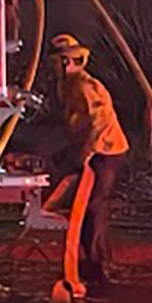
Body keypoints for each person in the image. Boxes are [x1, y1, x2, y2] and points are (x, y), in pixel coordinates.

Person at [48, 33, 129, 287]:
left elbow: (99, 123)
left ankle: (98, 265)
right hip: (91, 148)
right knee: (85, 207)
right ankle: (94, 261)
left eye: (61, 60)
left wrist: (86, 153)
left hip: (106, 151)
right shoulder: (69, 86)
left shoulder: (84, 86)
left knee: (93, 206)